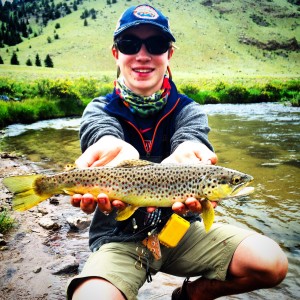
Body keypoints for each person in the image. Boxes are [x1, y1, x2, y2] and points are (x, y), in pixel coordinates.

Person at [66, 4, 288, 300]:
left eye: (156, 44)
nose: (143, 55)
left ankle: (192, 295)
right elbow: (101, 132)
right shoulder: (99, 109)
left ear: (169, 54)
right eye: (130, 44)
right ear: (116, 53)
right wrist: (110, 145)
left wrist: (192, 150)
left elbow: (192, 138)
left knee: (271, 262)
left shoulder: (189, 110)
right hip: (119, 239)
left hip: (182, 232)